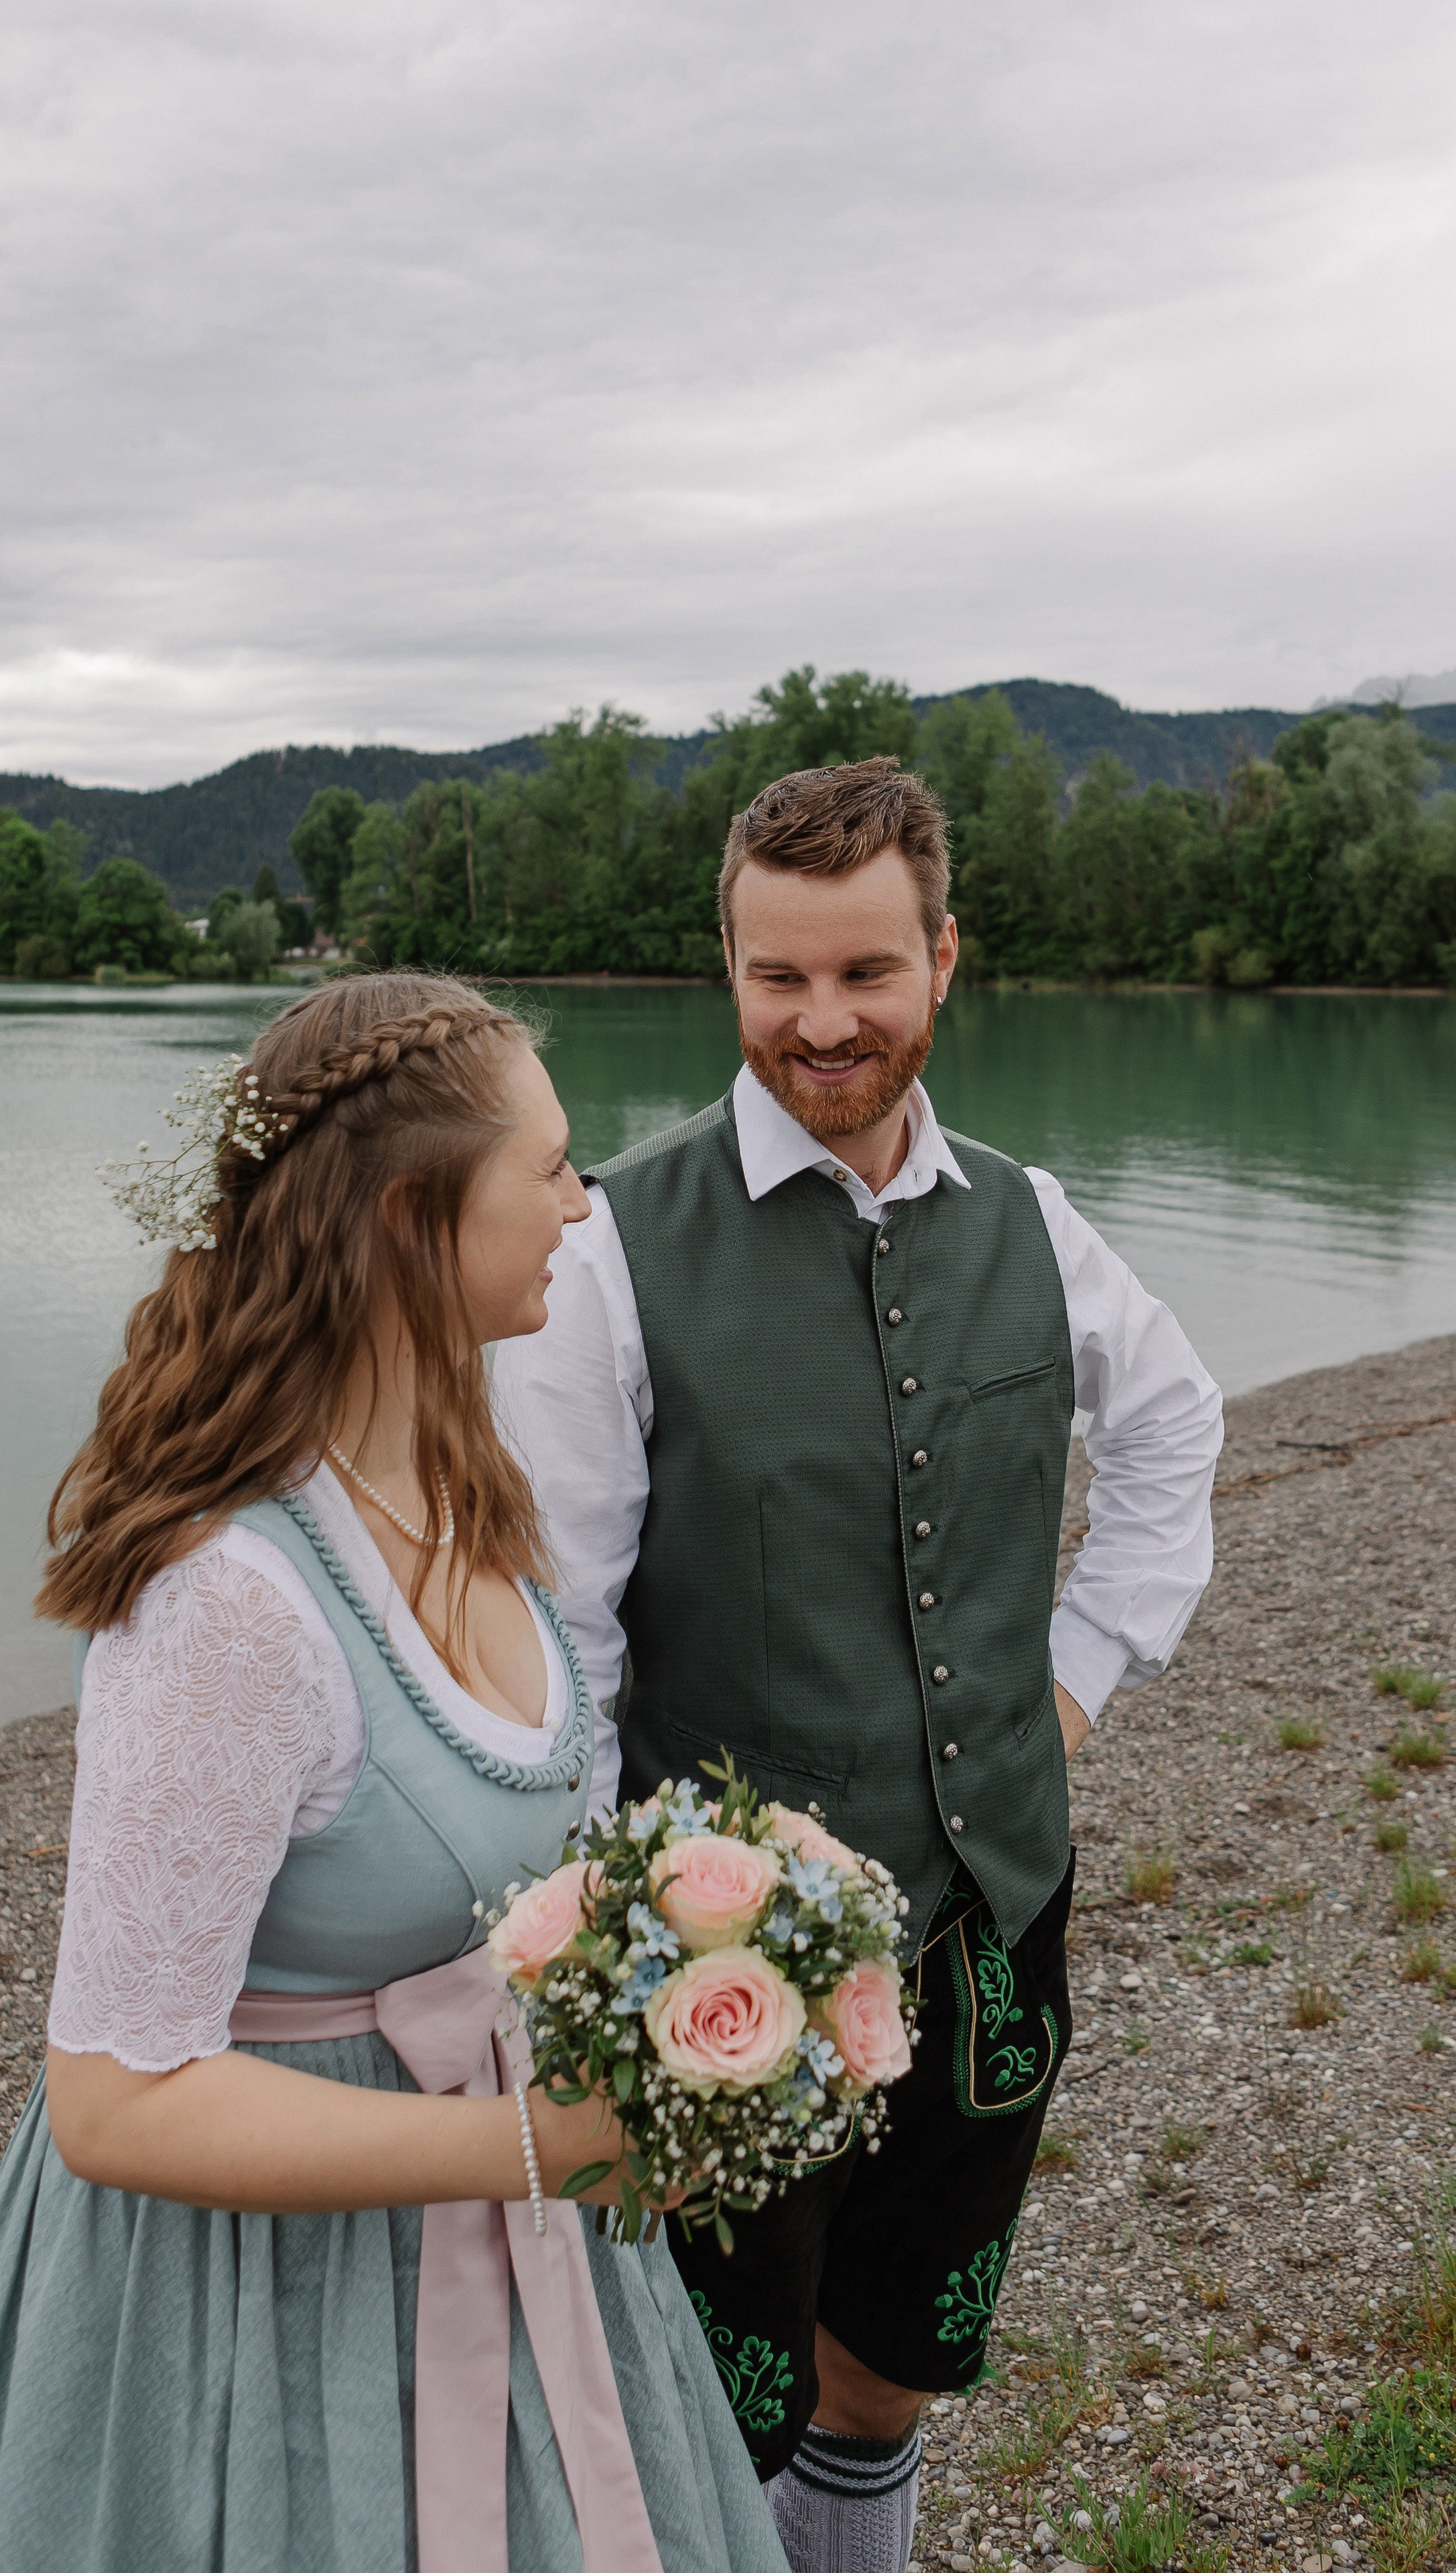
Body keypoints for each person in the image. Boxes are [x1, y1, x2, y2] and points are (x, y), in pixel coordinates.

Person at [0, 973, 787, 2573]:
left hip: (513, 2226)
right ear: (408, 1219)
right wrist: (536, 2148)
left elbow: (470, 1855)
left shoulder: (461, 1468)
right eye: (546, 1168)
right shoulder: (225, 1606)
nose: (584, 1206)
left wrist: (696, 1921)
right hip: (247, 2312)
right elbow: (115, 2102)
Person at [493, 758, 1226, 2573]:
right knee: (716, 2387)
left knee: (895, 2359)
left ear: (944, 961)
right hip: (715, 1951)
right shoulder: (613, 1250)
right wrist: (592, 1930)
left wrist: (1072, 1678)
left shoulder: (1035, 1222)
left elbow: (1176, 1435)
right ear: (729, 969)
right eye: (778, 979)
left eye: (865, 975)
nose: (823, 1024)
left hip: (991, 1920)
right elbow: (565, 1619)